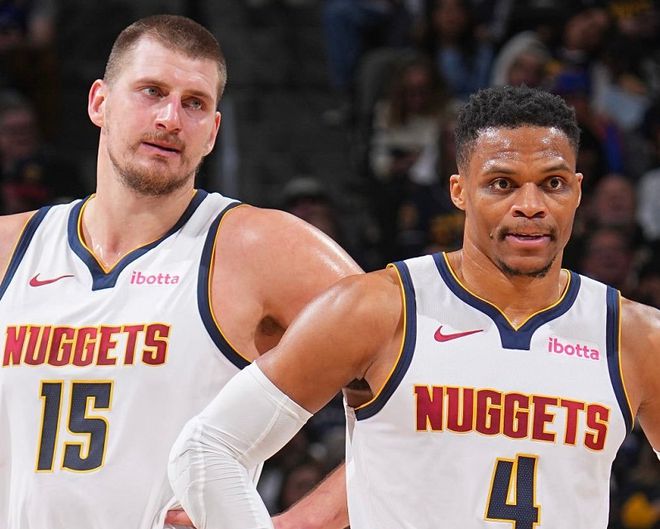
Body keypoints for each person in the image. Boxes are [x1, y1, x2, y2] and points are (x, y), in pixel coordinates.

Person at [168, 85, 660, 528]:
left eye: (552, 183)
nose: (530, 205)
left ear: (577, 190)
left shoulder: (635, 336)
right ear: (459, 191)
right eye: (502, 183)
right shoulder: (379, 308)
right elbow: (207, 447)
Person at [0, 14, 361, 529]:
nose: (171, 119)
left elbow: (424, 379)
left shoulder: (260, 247)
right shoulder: (11, 247)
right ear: (99, 102)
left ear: (212, 131)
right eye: (152, 91)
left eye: (194, 104)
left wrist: (298, 523)